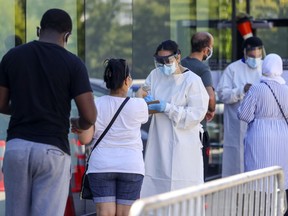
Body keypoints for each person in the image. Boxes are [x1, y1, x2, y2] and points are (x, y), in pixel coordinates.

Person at [0, 8, 96, 216]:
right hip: (52, 150)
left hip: (17, 147)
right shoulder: (73, 64)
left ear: (38, 30)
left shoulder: (13, 56)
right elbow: (90, 116)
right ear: (67, 36)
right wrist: (78, 123)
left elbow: (0, 103)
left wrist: (25, 107)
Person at [73, 58, 149, 216]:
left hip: (101, 165)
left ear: (106, 81)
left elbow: (85, 140)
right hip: (131, 166)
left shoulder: (95, 104)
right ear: (127, 80)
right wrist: (139, 95)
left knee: (104, 214)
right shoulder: (139, 105)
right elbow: (137, 108)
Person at [138, 39, 209, 198]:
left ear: (178, 57)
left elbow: (196, 114)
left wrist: (168, 108)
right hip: (159, 143)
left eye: (167, 60)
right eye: (160, 61)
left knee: (182, 191)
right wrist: (144, 103)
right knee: (156, 189)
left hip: (184, 145)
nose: (164, 65)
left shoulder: (193, 81)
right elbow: (142, 95)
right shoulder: (155, 75)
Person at [237, 53, 288, 215]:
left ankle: (261, 210)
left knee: (258, 177)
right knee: (281, 176)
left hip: (260, 135)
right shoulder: (286, 89)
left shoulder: (257, 88)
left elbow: (244, 115)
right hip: (282, 135)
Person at [216, 36, 265, 177]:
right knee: (236, 164)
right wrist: (241, 90)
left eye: (258, 53)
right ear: (245, 52)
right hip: (236, 127)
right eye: (251, 53)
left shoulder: (265, 68)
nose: (255, 56)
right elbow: (222, 94)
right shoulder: (233, 69)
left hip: (259, 126)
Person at [181, 32, 216, 180]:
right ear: (206, 50)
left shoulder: (180, 64)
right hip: (198, 128)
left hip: (179, 126)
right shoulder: (203, 69)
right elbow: (210, 96)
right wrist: (211, 109)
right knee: (199, 171)